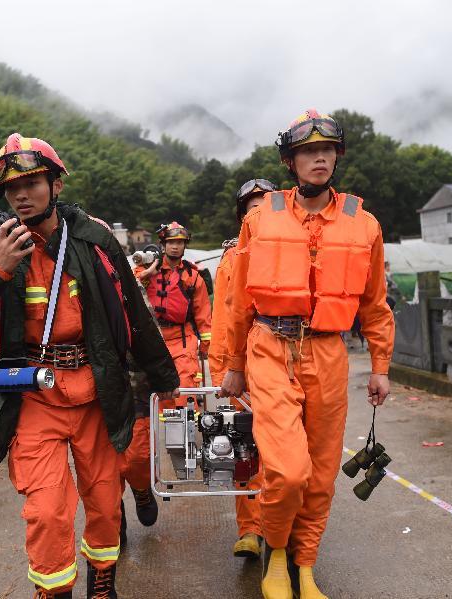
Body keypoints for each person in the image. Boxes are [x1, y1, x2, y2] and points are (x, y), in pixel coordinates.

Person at [0, 133, 179, 599]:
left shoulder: (93, 240)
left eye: (32, 182)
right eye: (11, 188)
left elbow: (133, 311)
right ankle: (54, 593)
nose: (21, 194)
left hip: (95, 391)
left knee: (105, 502)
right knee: (48, 511)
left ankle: (103, 584)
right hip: (33, 397)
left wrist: (164, 378)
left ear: (54, 183)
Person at [220, 110, 395, 599]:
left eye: (327, 150)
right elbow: (238, 304)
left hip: (328, 352)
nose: (319, 158)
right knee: (287, 468)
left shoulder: (365, 226)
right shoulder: (261, 218)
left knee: (319, 475)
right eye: (307, 152)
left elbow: (375, 304)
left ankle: (305, 562)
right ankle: (275, 550)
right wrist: (233, 365)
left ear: (337, 157)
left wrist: (380, 365)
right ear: (290, 161)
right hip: (270, 347)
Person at [208, 178, 277, 560]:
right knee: (243, 448)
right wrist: (222, 367)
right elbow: (224, 316)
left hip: (280, 361)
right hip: (240, 366)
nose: (256, 211)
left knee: (282, 452)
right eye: (249, 206)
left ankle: (277, 524)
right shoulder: (231, 257)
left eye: (263, 203)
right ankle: (249, 528)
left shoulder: (293, 250)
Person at [136, 221, 212, 398]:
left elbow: (203, 315)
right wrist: (145, 275)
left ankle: (187, 425)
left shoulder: (192, 277)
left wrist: (207, 347)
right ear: (163, 245)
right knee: (157, 396)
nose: (175, 247)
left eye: (179, 243)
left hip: (183, 339)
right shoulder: (147, 269)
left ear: (185, 245)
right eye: (171, 242)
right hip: (153, 339)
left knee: (184, 391)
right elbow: (127, 289)